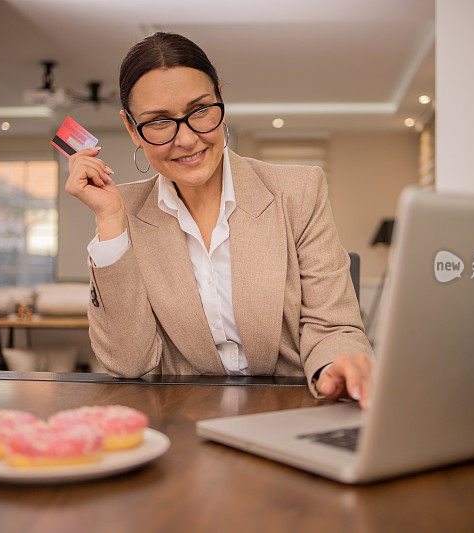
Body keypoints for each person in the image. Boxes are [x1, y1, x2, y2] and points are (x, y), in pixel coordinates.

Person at [65, 32, 374, 407]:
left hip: (289, 412)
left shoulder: (299, 191)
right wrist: (111, 220)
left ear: (220, 100)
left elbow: (333, 326)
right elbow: (129, 363)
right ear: (132, 129)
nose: (187, 139)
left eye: (200, 111)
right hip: (181, 421)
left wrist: (336, 365)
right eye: (160, 122)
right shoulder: (122, 211)